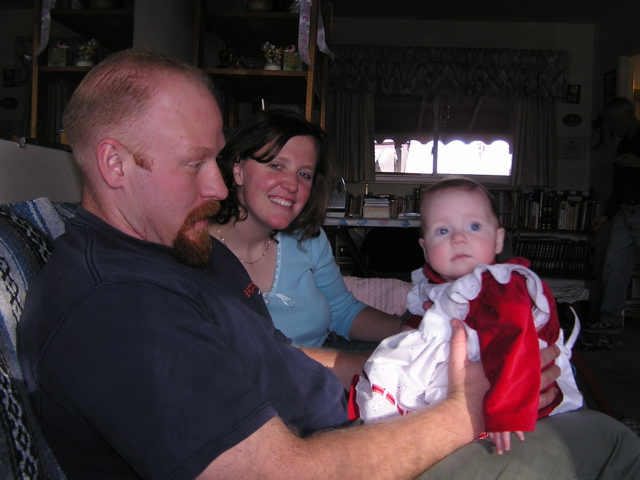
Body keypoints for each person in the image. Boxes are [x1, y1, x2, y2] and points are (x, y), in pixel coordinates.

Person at [16, 47, 640, 480]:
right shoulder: (117, 310)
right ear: (114, 164)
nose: (217, 185)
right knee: (613, 446)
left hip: (370, 421)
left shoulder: (180, 249)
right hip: (353, 458)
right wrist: (467, 406)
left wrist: (414, 371)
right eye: (194, 163)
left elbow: (271, 352)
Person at [355, 178, 583, 455]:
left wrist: (505, 413)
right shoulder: (439, 290)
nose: (458, 238)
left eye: (474, 226)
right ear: (425, 248)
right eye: (442, 230)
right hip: (462, 382)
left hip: (514, 392)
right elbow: (427, 330)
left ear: (498, 240)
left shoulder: (501, 286)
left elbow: (514, 344)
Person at [211, 108, 410, 349]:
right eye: (276, 165)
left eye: (304, 174)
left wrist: (411, 333)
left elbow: (342, 312)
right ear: (238, 169)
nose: (293, 185)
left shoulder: (307, 240)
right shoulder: (191, 252)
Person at [586, 96, 640, 335]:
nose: (614, 127)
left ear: (630, 115)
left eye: (617, 122)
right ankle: (610, 321)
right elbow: (620, 185)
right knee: (613, 266)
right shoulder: (623, 145)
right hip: (624, 214)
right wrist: (607, 215)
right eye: (610, 122)